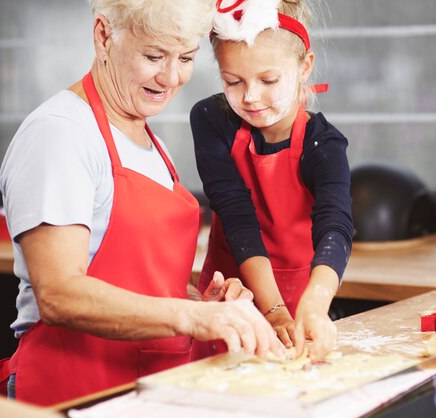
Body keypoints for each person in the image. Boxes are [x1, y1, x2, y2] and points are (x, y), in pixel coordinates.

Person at [0, 0, 284, 407]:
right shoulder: (60, 134)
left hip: (144, 391)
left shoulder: (152, 144)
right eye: (153, 55)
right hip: (73, 390)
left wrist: (199, 303)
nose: (171, 77)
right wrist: (192, 318)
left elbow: (137, 280)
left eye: (186, 57)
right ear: (103, 36)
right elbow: (59, 294)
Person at [191, 0, 353, 361]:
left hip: (299, 306)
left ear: (304, 67)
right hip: (227, 304)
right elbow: (237, 217)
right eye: (233, 81)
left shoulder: (322, 144)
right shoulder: (211, 119)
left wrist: (315, 301)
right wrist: (270, 308)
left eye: (268, 80)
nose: (250, 96)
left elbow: (335, 225)